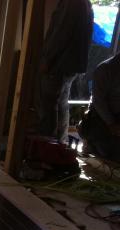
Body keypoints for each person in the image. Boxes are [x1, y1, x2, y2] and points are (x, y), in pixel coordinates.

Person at [36, 0, 94, 144]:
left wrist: (48, 58)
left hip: (61, 62)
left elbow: (61, 33)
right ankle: (59, 144)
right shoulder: (84, 3)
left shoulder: (72, 3)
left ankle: (47, 144)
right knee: (61, 102)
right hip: (71, 64)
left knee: (49, 103)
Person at [79, 52, 120, 160]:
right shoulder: (105, 69)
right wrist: (111, 123)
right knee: (110, 153)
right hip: (101, 118)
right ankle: (92, 145)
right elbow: (98, 101)